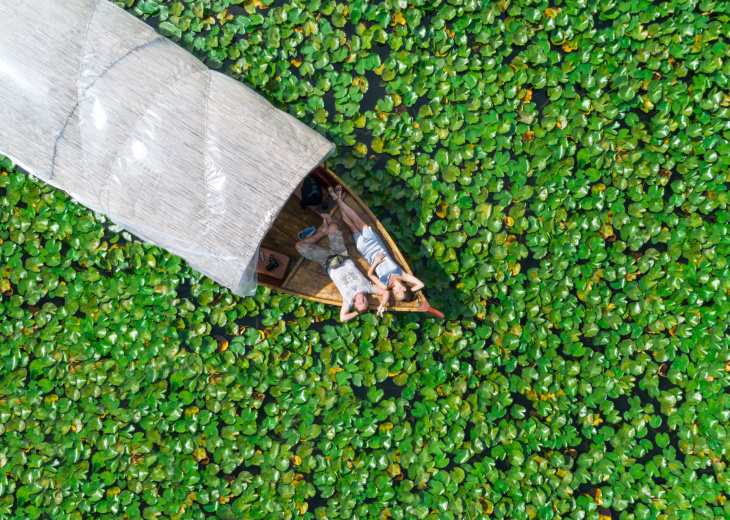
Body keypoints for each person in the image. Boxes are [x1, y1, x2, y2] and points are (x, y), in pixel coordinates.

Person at [329, 185, 425, 301]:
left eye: (396, 295)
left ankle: (338, 198)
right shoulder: (403, 275)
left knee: (351, 225)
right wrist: (411, 291)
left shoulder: (386, 286)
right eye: (398, 293)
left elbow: (370, 275)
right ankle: (337, 198)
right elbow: (421, 285)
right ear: (404, 289)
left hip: (367, 252)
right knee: (358, 221)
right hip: (376, 244)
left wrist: (375, 262)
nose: (395, 292)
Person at [295, 213, 390, 321]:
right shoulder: (367, 288)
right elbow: (386, 292)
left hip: (326, 261)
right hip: (341, 254)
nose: (361, 300)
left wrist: (357, 313)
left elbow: (342, 318)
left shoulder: (348, 300)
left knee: (299, 246)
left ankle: (322, 233)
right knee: (333, 227)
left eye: (359, 303)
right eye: (364, 302)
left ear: (355, 305)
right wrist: (382, 304)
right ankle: (326, 230)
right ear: (367, 300)